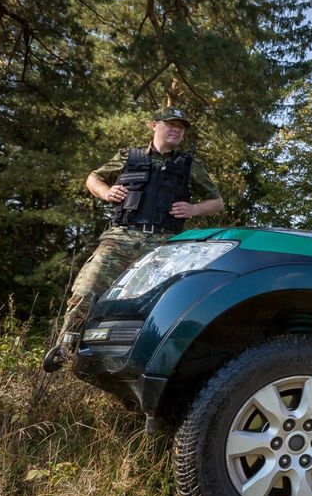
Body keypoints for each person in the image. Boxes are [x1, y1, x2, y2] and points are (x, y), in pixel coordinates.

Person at [43, 109, 224, 372]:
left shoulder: (189, 164)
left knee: (157, 305)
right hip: (121, 237)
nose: (176, 130)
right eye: (170, 125)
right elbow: (93, 177)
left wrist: (193, 209)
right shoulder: (130, 156)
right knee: (87, 289)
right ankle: (65, 347)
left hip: (164, 244)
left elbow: (217, 202)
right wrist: (106, 192)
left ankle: (138, 364)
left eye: (180, 127)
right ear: (154, 125)